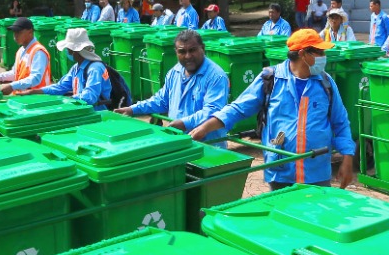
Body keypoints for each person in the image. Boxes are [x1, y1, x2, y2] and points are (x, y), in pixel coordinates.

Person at [190, 29, 356, 189]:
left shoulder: (326, 83)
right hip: (281, 171)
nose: (324, 57)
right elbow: (238, 109)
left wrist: (347, 157)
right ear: (303, 54)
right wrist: (205, 128)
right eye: (320, 52)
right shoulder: (271, 79)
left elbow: (340, 122)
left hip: (317, 173)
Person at [119, 30, 231, 143]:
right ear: (176, 52)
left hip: (208, 145)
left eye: (192, 50)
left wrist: (184, 123)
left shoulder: (216, 76)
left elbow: (212, 112)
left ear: (202, 48)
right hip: (179, 141)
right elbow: (161, 100)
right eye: (182, 51)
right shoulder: (175, 72)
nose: (188, 56)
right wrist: (132, 109)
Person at [32, 28, 114, 109]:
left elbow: (90, 97)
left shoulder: (95, 68)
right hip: (81, 109)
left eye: (68, 49)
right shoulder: (76, 68)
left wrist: (69, 99)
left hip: (97, 112)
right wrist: (37, 91)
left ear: (75, 51)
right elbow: (61, 87)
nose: (67, 52)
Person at [0, 17, 51, 94]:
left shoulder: (38, 52)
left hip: (39, 98)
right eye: (14, 32)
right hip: (22, 97)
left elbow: (35, 79)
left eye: (19, 32)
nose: (15, 36)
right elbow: (14, 73)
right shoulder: (21, 50)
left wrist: (12, 86)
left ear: (30, 32)